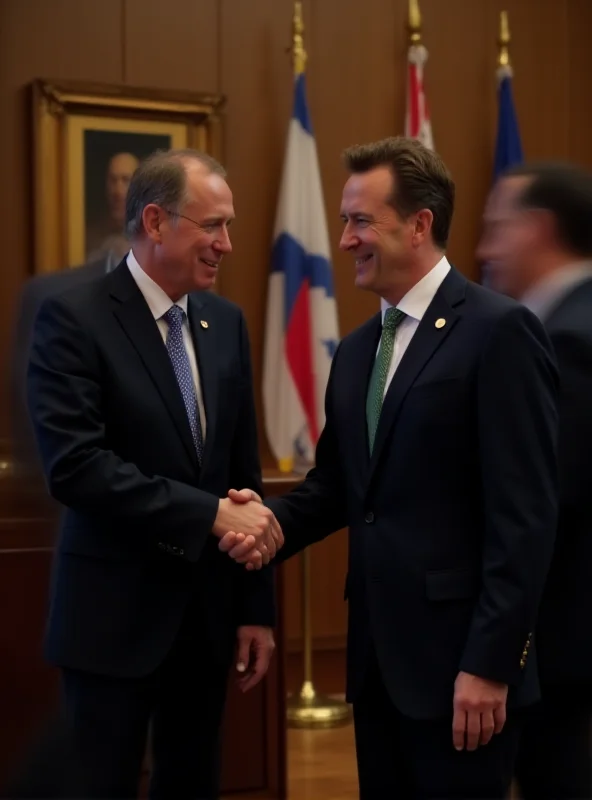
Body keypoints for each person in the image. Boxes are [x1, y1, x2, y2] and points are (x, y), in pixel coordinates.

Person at [221, 136, 560, 798]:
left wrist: (491, 665)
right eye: (345, 221)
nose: (345, 239)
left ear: (420, 223)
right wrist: (261, 523)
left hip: (464, 674)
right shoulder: (354, 353)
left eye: (359, 220)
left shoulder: (499, 332)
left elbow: (526, 517)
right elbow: (336, 490)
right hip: (378, 667)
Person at [25, 148, 282, 799]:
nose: (227, 244)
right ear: (156, 222)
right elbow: (77, 467)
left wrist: (255, 608)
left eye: (228, 226)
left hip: (205, 619)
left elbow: (239, 471)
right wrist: (207, 515)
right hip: (112, 622)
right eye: (213, 226)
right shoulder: (72, 318)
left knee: (193, 783)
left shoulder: (224, 322)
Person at [477, 162, 592, 800]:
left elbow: (540, 492)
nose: (484, 250)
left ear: (538, 228)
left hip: (562, 632)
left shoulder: (569, 339)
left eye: (498, 229)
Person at [85, 151, 139, 261]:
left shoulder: (152, 237)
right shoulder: (90, 237)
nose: (117, 191)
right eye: (113, 180)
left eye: (126, 180)